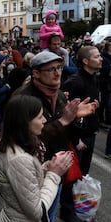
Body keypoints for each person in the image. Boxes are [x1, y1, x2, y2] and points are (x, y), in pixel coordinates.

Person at [14, 51, 97, 222]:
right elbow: (25, 139)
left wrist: (76, 119)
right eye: (51, 69)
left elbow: (66, 134)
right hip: (32, 170)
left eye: (59, 67)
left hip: (56, 168)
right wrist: (65, 120)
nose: (58, 73)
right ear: (36, 73)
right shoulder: (23, 99)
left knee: (50, 215)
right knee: (35, 216)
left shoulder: (58, 94)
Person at [0, 95, 73, 222]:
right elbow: (37, 212)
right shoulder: (19, 159)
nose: (44, 120)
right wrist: (54, 175)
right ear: (25, 122)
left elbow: (25, 180)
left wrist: (48, 167)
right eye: (40, 117)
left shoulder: (7, 141)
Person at [62, 46, 101, 175]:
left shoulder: (94, 78)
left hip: (90, 132)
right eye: (96, 56)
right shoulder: (75, 82)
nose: (101, 59)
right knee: (73, 176)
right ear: (85, 61)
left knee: (84, 175)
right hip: (79, 137)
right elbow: (67, 111)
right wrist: (77, 139)